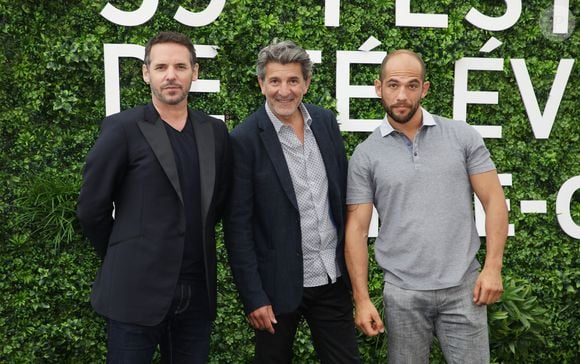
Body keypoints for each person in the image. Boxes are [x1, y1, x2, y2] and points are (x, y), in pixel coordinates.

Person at [344, 49, 508, 363]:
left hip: (464, 288)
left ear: (425, 88)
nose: (402, 95)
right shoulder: (366, 155)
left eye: (411, 85)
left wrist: (492, 268)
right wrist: (362, 299)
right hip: (403, 293)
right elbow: (356, 230)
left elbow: (494, 201)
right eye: (393, 85)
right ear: (379, 88)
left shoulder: (462, 136)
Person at [77, 31, 230, 363]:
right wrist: (124, 250)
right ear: (147, 73)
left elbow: (217, 203)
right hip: (133, 292)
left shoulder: (215, 132)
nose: (171, 75)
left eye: (180, 66)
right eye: (161, 67)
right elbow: (91, 208)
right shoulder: (122, 128)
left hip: (196, 295)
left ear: (195, 72)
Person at [224, 40, 360, 363]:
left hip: (330, 278)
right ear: (261, 84)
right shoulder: (244, 140)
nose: (284, 91)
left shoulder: (325, 123)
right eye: (275, 81)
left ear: (306, 83)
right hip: (275, 288)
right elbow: (237, 228)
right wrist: (254, 297)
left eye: (293, 81)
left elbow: (341, 200)